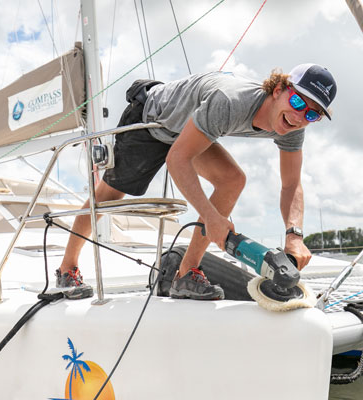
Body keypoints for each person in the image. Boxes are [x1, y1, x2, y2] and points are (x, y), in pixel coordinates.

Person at [55, 63, 337, 300]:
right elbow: (177, 160)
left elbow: (291, 185)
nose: (300, 116)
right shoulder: (231, 102)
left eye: (312, 114)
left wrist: (294, 236)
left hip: (188, 131)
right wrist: (212, 218)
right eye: (298, 102)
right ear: (279, 90)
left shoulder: (292, 129)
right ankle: (67, 269)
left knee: (232, 179)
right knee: (108, 195)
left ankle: (185, 275)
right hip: (153, 120)